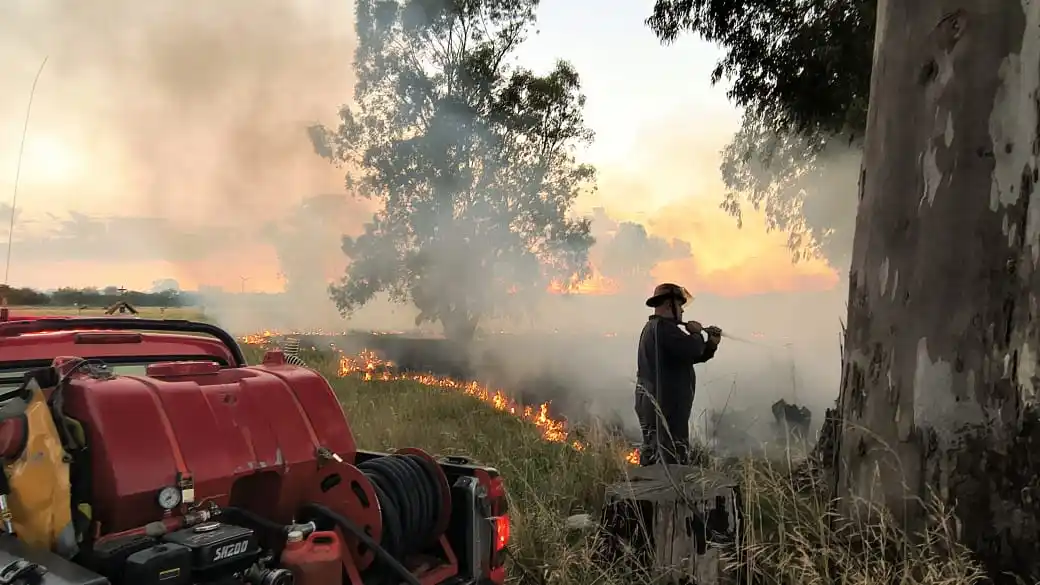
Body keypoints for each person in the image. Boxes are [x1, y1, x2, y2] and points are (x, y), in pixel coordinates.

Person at [635, 283, 721, 465]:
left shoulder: (656, 328)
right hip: (666, 406)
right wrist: (697, 333)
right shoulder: (664, 329)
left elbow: (688, 356)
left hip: (661, 405)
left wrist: (711, 344)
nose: (682, 310)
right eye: (680, 306)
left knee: (657, 451)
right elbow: (691, 349)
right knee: (670, 455)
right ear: (669, 305)